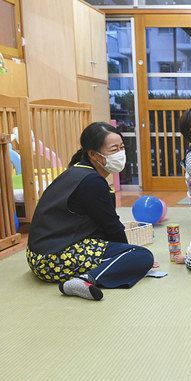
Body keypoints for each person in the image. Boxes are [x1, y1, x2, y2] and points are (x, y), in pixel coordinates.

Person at [26, 122, 155, 301]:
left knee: (126, 252)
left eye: (122, 147)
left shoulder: (78, 172)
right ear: (93, 154)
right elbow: (111, 225)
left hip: (38, 254)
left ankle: (89, 274)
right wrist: (127, 252)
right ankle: (86, 280)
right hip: (53, 258)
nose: (120, 153)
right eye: (113, 149)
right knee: (141, 255)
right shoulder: (92, 181)